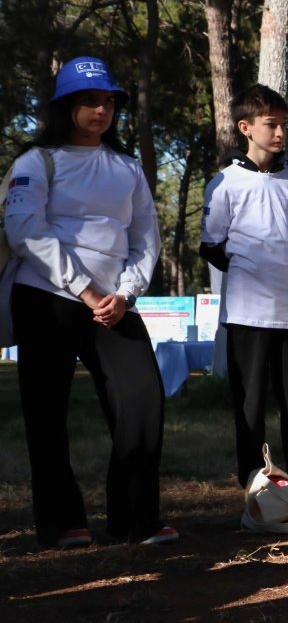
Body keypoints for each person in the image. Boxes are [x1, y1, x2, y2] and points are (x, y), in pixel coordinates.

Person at [3, 56, 175, 546]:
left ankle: (136, 519)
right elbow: (24, 230)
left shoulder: (127, 167)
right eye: (88, 101)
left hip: (114, 305)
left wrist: (123, 293)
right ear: (64, 107)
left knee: (141, 397)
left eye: (107, 102)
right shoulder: (37, 162)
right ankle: (62, 523)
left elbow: (146, 238)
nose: (100, 110)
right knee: (47, 411)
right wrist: (85, 288)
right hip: (47, 298)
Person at [201, 84, 288, 491]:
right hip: (248, 314)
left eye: (284, 124)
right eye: (272, 124)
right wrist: (251, 272)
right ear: (246, 127)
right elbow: (211, 246)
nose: (281, 133)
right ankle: (254, 484)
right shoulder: (225, 183)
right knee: (250, 405)